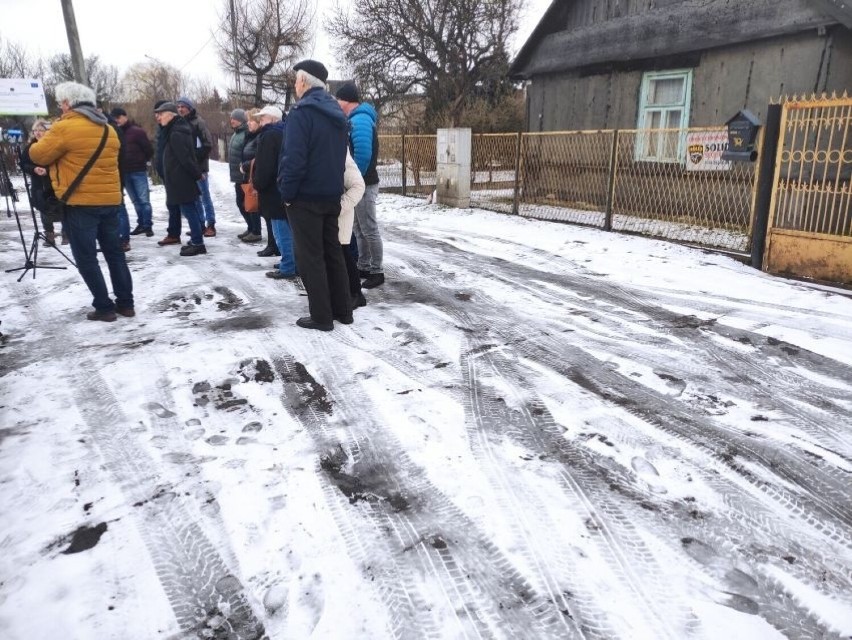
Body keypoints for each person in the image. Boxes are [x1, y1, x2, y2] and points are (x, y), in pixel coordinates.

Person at [29, 81, 134, 322]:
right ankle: (126, 304)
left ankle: (104, 307)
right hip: (110, 200)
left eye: (60, 103)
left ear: (68, 103)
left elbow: (38, 154)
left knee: (86, 257)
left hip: (79, 203)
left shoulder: (64, 128)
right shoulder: (108, 129)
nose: (60, 108)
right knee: (115, 254)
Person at [277, 60, 351, 331]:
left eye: (296, 80)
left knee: (311, 257)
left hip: (305, 196)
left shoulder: (301, 113)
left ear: (305, 82)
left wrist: (286, 193)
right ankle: (343, 310)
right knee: (333, 253)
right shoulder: (337, 115)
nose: (295, 85)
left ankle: (321, 316)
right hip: (331, 195)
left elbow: (294, 159)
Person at [335, 82, 384, 289]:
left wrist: (356, 183)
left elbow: (362, 156)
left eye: (338, 99)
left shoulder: (360, 120)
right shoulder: (355, 119)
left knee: (369, 228)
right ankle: (364, 266)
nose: (336, 103)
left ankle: (377, 271)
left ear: (345, 100)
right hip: (362, 183)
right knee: (359, 228)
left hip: (365, 183)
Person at [155, 102, 206, 256]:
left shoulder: (176, 132)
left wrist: (197, 174)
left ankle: (198, 244)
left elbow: (185, 158)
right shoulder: (175, 129)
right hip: (178, 179)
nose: (158, 117)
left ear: (171, 115)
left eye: (161, 114)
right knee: (190, 210)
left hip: (181, 179)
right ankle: (197, 239)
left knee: (189, 211)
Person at [251, 105, 294, 279]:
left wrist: (257, 184)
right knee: (284, 228)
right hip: (282, 187)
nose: (260, 120)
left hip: (272, 190)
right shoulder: (285, 132)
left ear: (273, 119)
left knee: (280, 229)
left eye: (263, 118)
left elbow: (265, 166)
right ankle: (290, 260)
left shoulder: (269, 135)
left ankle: (288, 265)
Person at [19, 119, 66, 246]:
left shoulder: (55, 145)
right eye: (35, 130)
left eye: (41, 130)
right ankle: (49, 236)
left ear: (48, 131)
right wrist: (34, 169)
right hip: (39, 184)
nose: (38, 133)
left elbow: (62, 162)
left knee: (62, 207)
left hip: (56, 182)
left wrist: (48, 170)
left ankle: (66, 233)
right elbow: (23, 164)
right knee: (43, 208)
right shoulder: (30, 147)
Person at [110, 107, 154, 237]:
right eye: (115, 118)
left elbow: (148, 149)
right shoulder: (115, 133)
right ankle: (141, 224)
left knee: (144, 200)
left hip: (138, 170)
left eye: (118, 117)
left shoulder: (137, 132)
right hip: (124, 171)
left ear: (125, 116)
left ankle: (147, 225)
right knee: (135, 200)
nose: (117, 120)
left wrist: (143, 161)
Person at [176, 96, 216, 236]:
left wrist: (193, 158)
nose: (180, 109)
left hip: (199, 167)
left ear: (189, 108)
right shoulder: (179, 123)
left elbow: (207, 145)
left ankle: (210, 225)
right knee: (194, 198)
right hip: (187, 168)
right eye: (178, 107)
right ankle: (199, 224)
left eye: (183, 106)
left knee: (204, 196)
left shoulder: (199, 122)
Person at [153, 99, 183, 246]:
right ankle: (173, 233)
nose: (158, 117)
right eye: (156, 114)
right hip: (166, 173)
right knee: (172, 204)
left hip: (175, 174)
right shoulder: (161, 128)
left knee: (182, 205)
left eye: (160, 113)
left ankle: (195, 233)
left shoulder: (173, 129)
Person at [340, 149, 366, 308]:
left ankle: (356, 293)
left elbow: (358, 185)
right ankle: (350, 292)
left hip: (339, 216)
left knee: (343, 253)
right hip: (332, 216)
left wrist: (339, 207)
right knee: (341, 254)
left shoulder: (342, 152)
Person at [227, 108, 254, 240]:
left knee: (248, 203)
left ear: (242, 120)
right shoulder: (235, 134)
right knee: (240, 203)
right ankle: (250, 227)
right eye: (231, 118)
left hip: (245, 175)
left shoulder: (246, 133)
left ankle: (255, 230)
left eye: (235, 118)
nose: (232, 120)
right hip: (238, 175)